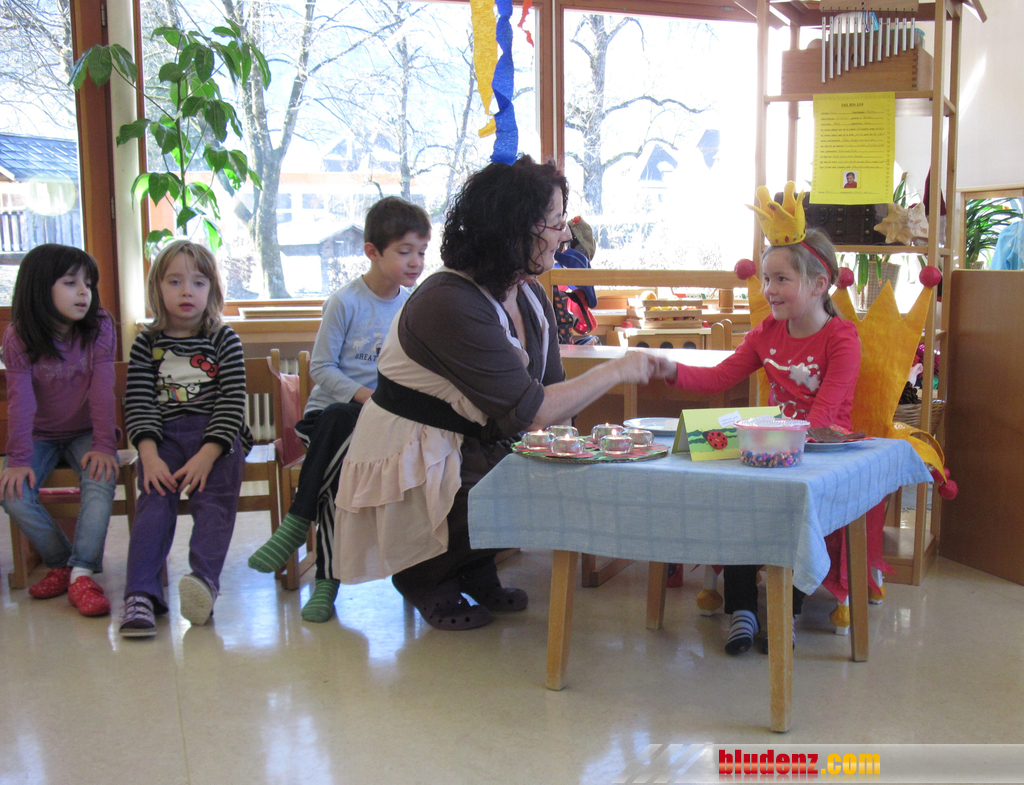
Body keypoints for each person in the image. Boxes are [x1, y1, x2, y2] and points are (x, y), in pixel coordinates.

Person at [331, 156, 667, 630]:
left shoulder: (527, 293)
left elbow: (551, 390)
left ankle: (472, 567)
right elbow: (532, 410)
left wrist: (572, 458)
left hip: (473, 439)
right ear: (516, 229)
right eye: (556, 224)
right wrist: (619, 370)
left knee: (531, 481)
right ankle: (425, 577)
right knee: (481, 488)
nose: (565, 237)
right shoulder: (447, 300)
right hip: (419, 448)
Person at [655, 200, 861, 655]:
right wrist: (668, 369)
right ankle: (743, 610)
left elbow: (824, 415)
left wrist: (778, 447)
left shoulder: (842, 338)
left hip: (820, 452)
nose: (768, 289)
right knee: (738, 499)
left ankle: (787, 611)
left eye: (781, 279)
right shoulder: (766, 333)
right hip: (771, 447)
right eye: (767, 279)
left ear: (819, 284)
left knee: (792, 505)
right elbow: (719, 378)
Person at [247, 196, 430, 622]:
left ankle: (299, 525)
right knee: (339, 438)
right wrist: (367, 397)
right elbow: (322, 368)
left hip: (380, 422)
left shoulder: (412, 305)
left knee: (342, 467)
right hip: (327, 418)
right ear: (372, 251)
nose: (416, 262)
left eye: (422, 252)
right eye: (404, 251)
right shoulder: (344, 301)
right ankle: (325, 578)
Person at [119, 240, 252, 637]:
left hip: (218, 438)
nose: (186, 291)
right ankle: (140, 593)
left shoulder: (224, 339)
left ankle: (203, 583)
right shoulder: (146, 343)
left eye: (197, 282)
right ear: (157, 288)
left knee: (214, 503)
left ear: (212, 289)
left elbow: (232, 402)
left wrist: (208, 453)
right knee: (153, 502)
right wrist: (149, 456)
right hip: (162, 439)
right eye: (174, 281)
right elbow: (139, 402)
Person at [0, 244, 119, 617]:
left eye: (88, 284)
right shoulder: (18, 336)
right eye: (70, 283)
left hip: (87, 431)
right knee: (12, 492)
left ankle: (82, 573)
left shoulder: (100, 325)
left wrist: (104, 445)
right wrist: (18, 460)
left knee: (100, 479)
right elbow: (20, 402)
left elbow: (103, 390)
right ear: (39, 287)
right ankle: (61, 563)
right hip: (39, 435)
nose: (84, 292)